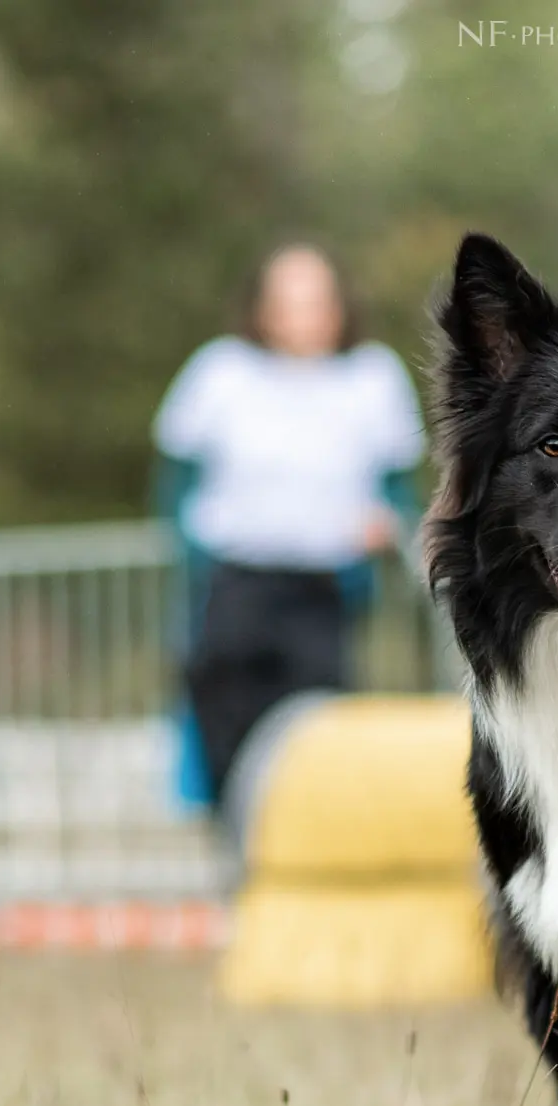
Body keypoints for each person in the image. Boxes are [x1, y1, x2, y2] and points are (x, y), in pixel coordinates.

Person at [153, 244, 425, 809]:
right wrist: (192, 555)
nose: (302, 317)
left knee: (320, 721)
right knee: (224, 709)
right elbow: (174, 477)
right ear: (262, 308)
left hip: (325, 584)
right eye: (288, 302)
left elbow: (399, 484)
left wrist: (388, 524)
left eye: (315, 302)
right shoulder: (221, 371)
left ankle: (308, 835)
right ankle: (234, 830)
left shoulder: (372, 377)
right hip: (238, 577)